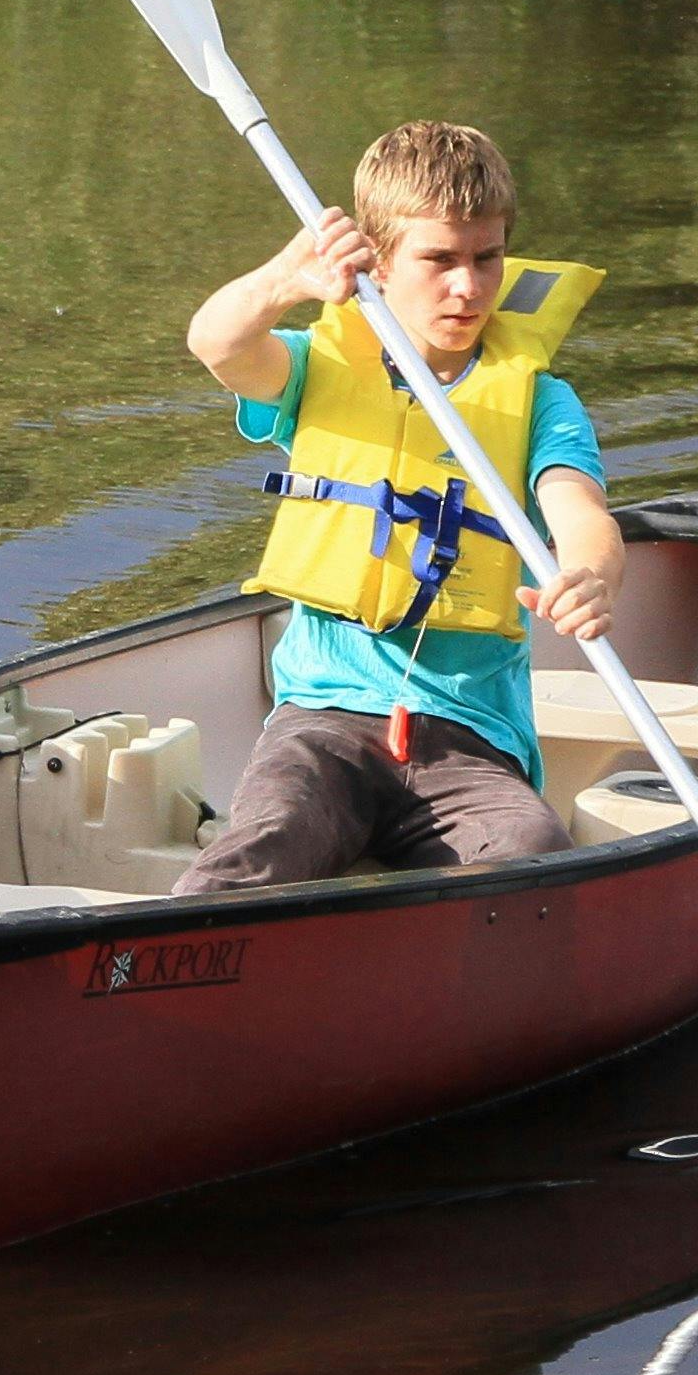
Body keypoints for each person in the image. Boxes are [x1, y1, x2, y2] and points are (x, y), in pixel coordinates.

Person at [175, 119, 618, 892]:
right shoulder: (320, 368)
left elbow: (579, 508)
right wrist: (284, 279)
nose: (469, 287)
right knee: (261, 843)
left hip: (470, 733)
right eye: (439, 260)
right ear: (378, 261)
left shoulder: (543, 402)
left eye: (487, 259)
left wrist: (590, 574)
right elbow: (217, 344)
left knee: (529, 844)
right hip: (324, 720)